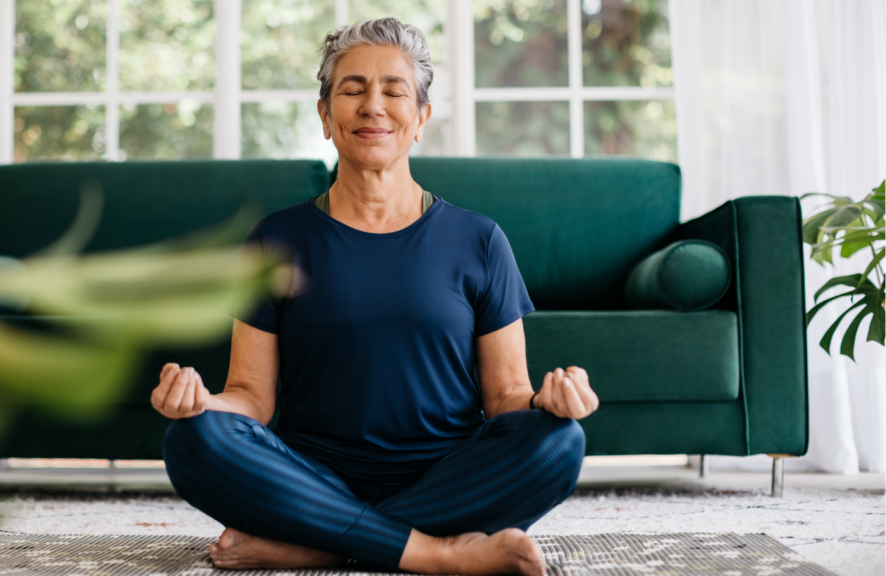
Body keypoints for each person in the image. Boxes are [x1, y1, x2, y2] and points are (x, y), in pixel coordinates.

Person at [153, 17, 599, 576]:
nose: (373, 106)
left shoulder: (479, 239)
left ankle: (321, 543)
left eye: (394, 91)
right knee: (191, 439)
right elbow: (250, 397)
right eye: (352, 89)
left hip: (446, 475)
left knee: (559, 441)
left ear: (420, 118)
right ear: (325, 115)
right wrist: (201, 405)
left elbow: (508, 397)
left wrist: (551, 402)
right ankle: (432, 552)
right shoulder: (276, 239)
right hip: (310, 474)